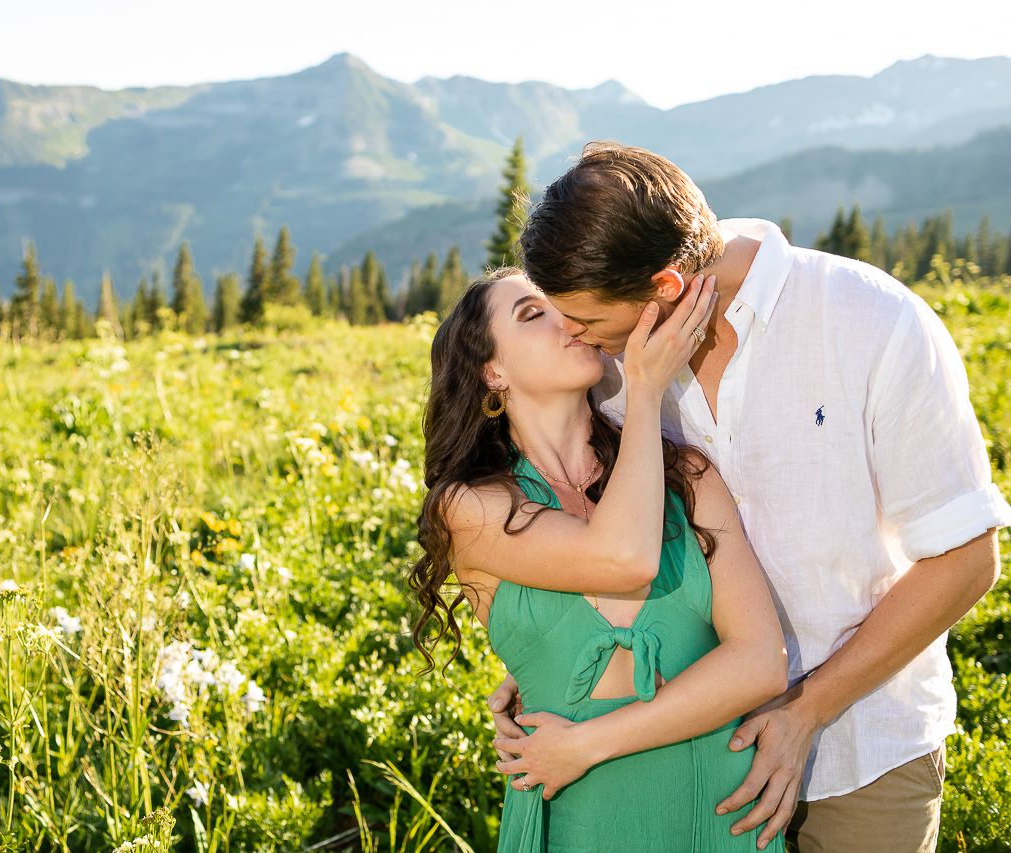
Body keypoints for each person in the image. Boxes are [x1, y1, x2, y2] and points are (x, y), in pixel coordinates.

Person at [491, 142, 1011, 852]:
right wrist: (550, 669)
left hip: (861, 755)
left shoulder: (874, 322)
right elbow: (590, 536)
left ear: (667, 286)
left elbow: (967, 560)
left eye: (589, 324)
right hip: (682, 756)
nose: (577, 341)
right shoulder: (614, 379)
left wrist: (807, 708)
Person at [408, 267, 790, 851]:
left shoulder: (686, 478)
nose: (566, 320)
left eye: (565, 305)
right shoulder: (470, 507)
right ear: (493, 370)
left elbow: (762, 662)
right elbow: (621, 561)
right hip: (581, 819)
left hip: (717, 807)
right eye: (533, 314)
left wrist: (587, 743)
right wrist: (644, 392)